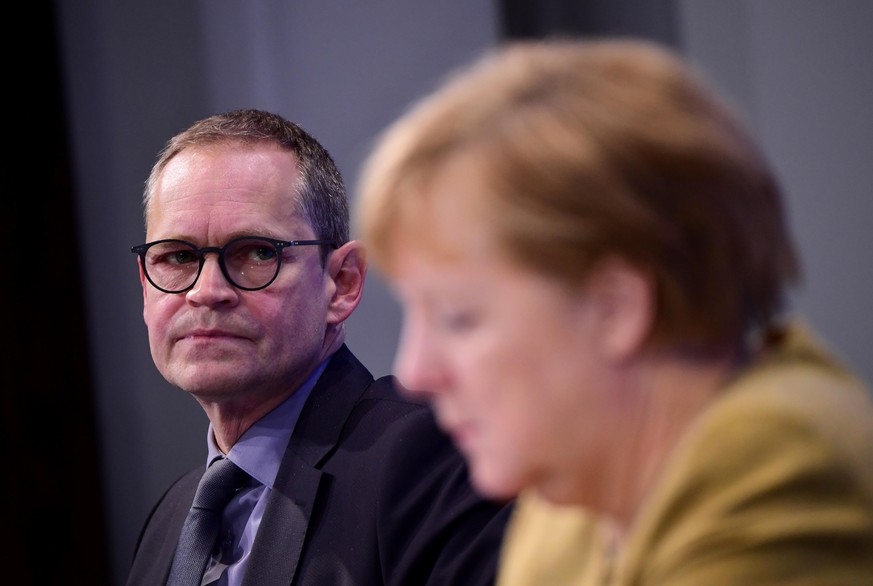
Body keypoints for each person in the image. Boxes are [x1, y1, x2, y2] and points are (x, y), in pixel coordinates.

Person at [355, 38, 873, 585]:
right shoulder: (569, 489)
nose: (414, 372)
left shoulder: (772, 465)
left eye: (458, 317)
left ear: (615, 308)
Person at [125, 108, 511, 586]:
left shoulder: (432, 454)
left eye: (256, 252)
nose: (205, 291)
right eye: (178, 257)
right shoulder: (169, 519)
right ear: (146, 288)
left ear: (341, 282)